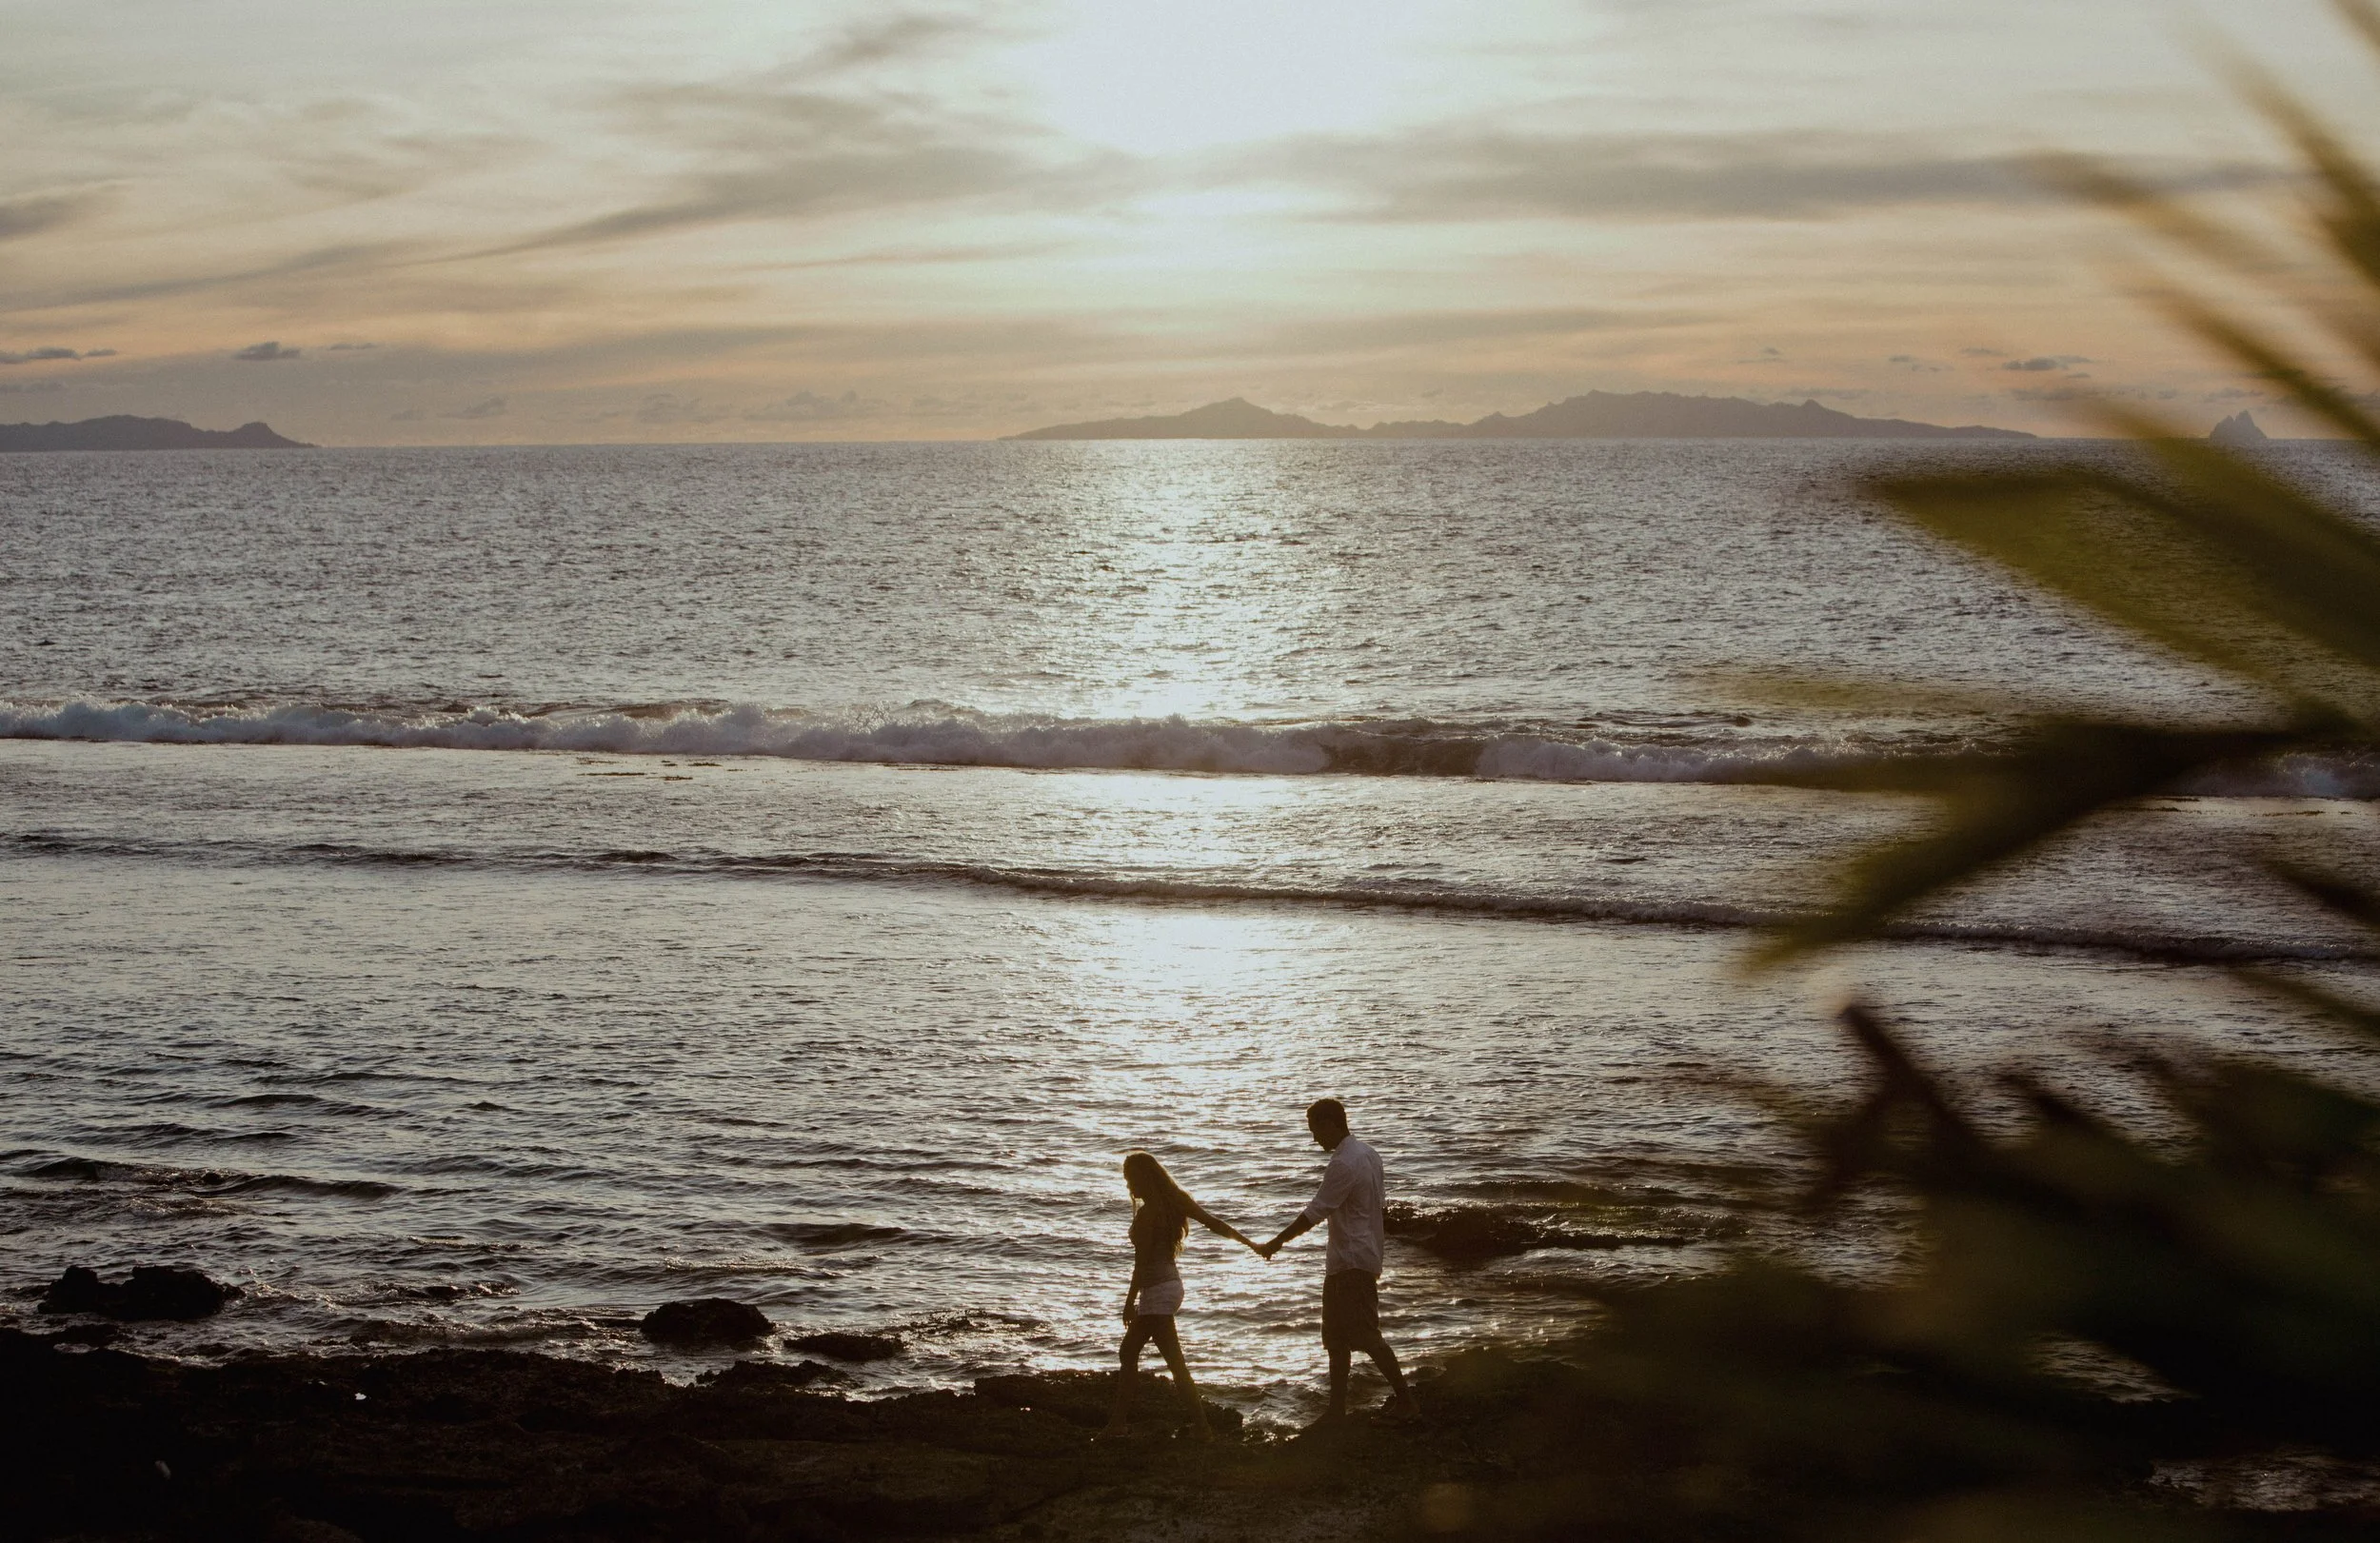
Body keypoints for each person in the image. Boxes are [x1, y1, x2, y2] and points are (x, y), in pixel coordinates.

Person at [1257, 1098, 1419, 1423]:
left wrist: (1277, 1241)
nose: (1314, 1139)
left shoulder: (1344, 1163)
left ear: (1331, 1124)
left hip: (1351, 1260)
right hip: (1361, 1256)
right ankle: (1337, 1410)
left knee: (1365, 1336)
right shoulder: (1370, 1155)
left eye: (1315, 1131)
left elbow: (1317, 1211)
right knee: (1336, 1339)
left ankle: (1406, 1400)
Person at [1102, 1150, 1259, 1440]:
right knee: (1157, 1357)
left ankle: (1122, 1426)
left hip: (1159, 1291)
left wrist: (1128, 1304)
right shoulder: (1175, 1201)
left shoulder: (1150, 1214)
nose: (1128, 1187)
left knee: (1142, 1354)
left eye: (1130, 1179)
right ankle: (1198, 1427)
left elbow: (1141, 1264)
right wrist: (1250, 1243)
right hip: (1167, 1287)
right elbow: (1214, 1223)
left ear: (1143, 1178)